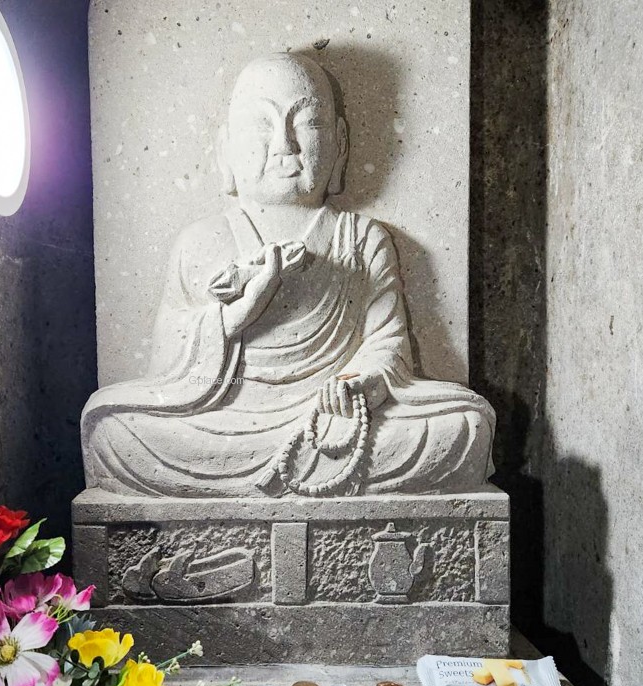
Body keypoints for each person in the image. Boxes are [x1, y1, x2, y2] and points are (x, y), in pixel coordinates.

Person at [82, 53, 495, 497]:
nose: (285, 145)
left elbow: (387, 347)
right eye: (260, 124)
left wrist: (359, 384)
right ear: (225, 148)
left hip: (332, 422)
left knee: (464, 427)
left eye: (308, 123)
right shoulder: (201, 241)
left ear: (340, 144)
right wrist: (234, 315)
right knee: (114, 431)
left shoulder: (361, 239)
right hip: (223, 422)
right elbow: (167, 366)